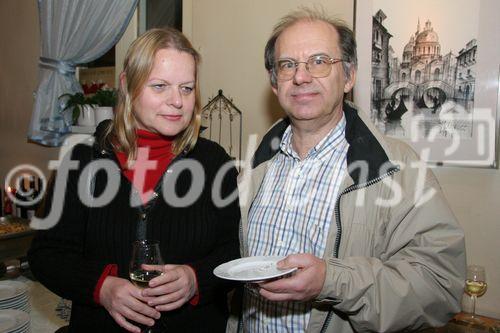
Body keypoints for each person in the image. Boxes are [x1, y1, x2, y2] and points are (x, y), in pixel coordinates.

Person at [233, 8, 466, 333]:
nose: (301, 77)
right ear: (275, 83)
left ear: (349, 76)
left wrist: (333, 281)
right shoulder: (255, 165)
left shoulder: (398, 168)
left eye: (319, 61)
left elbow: (439, 287)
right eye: (288, 65)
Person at [28, 28, 240, 333]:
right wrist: (101, 287)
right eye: (160, 86)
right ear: (128, 85)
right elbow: (45, 254)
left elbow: (234, 249)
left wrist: (196, 279)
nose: (177, 101)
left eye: (186, 88)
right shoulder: (81, 161)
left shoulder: (214, 161)